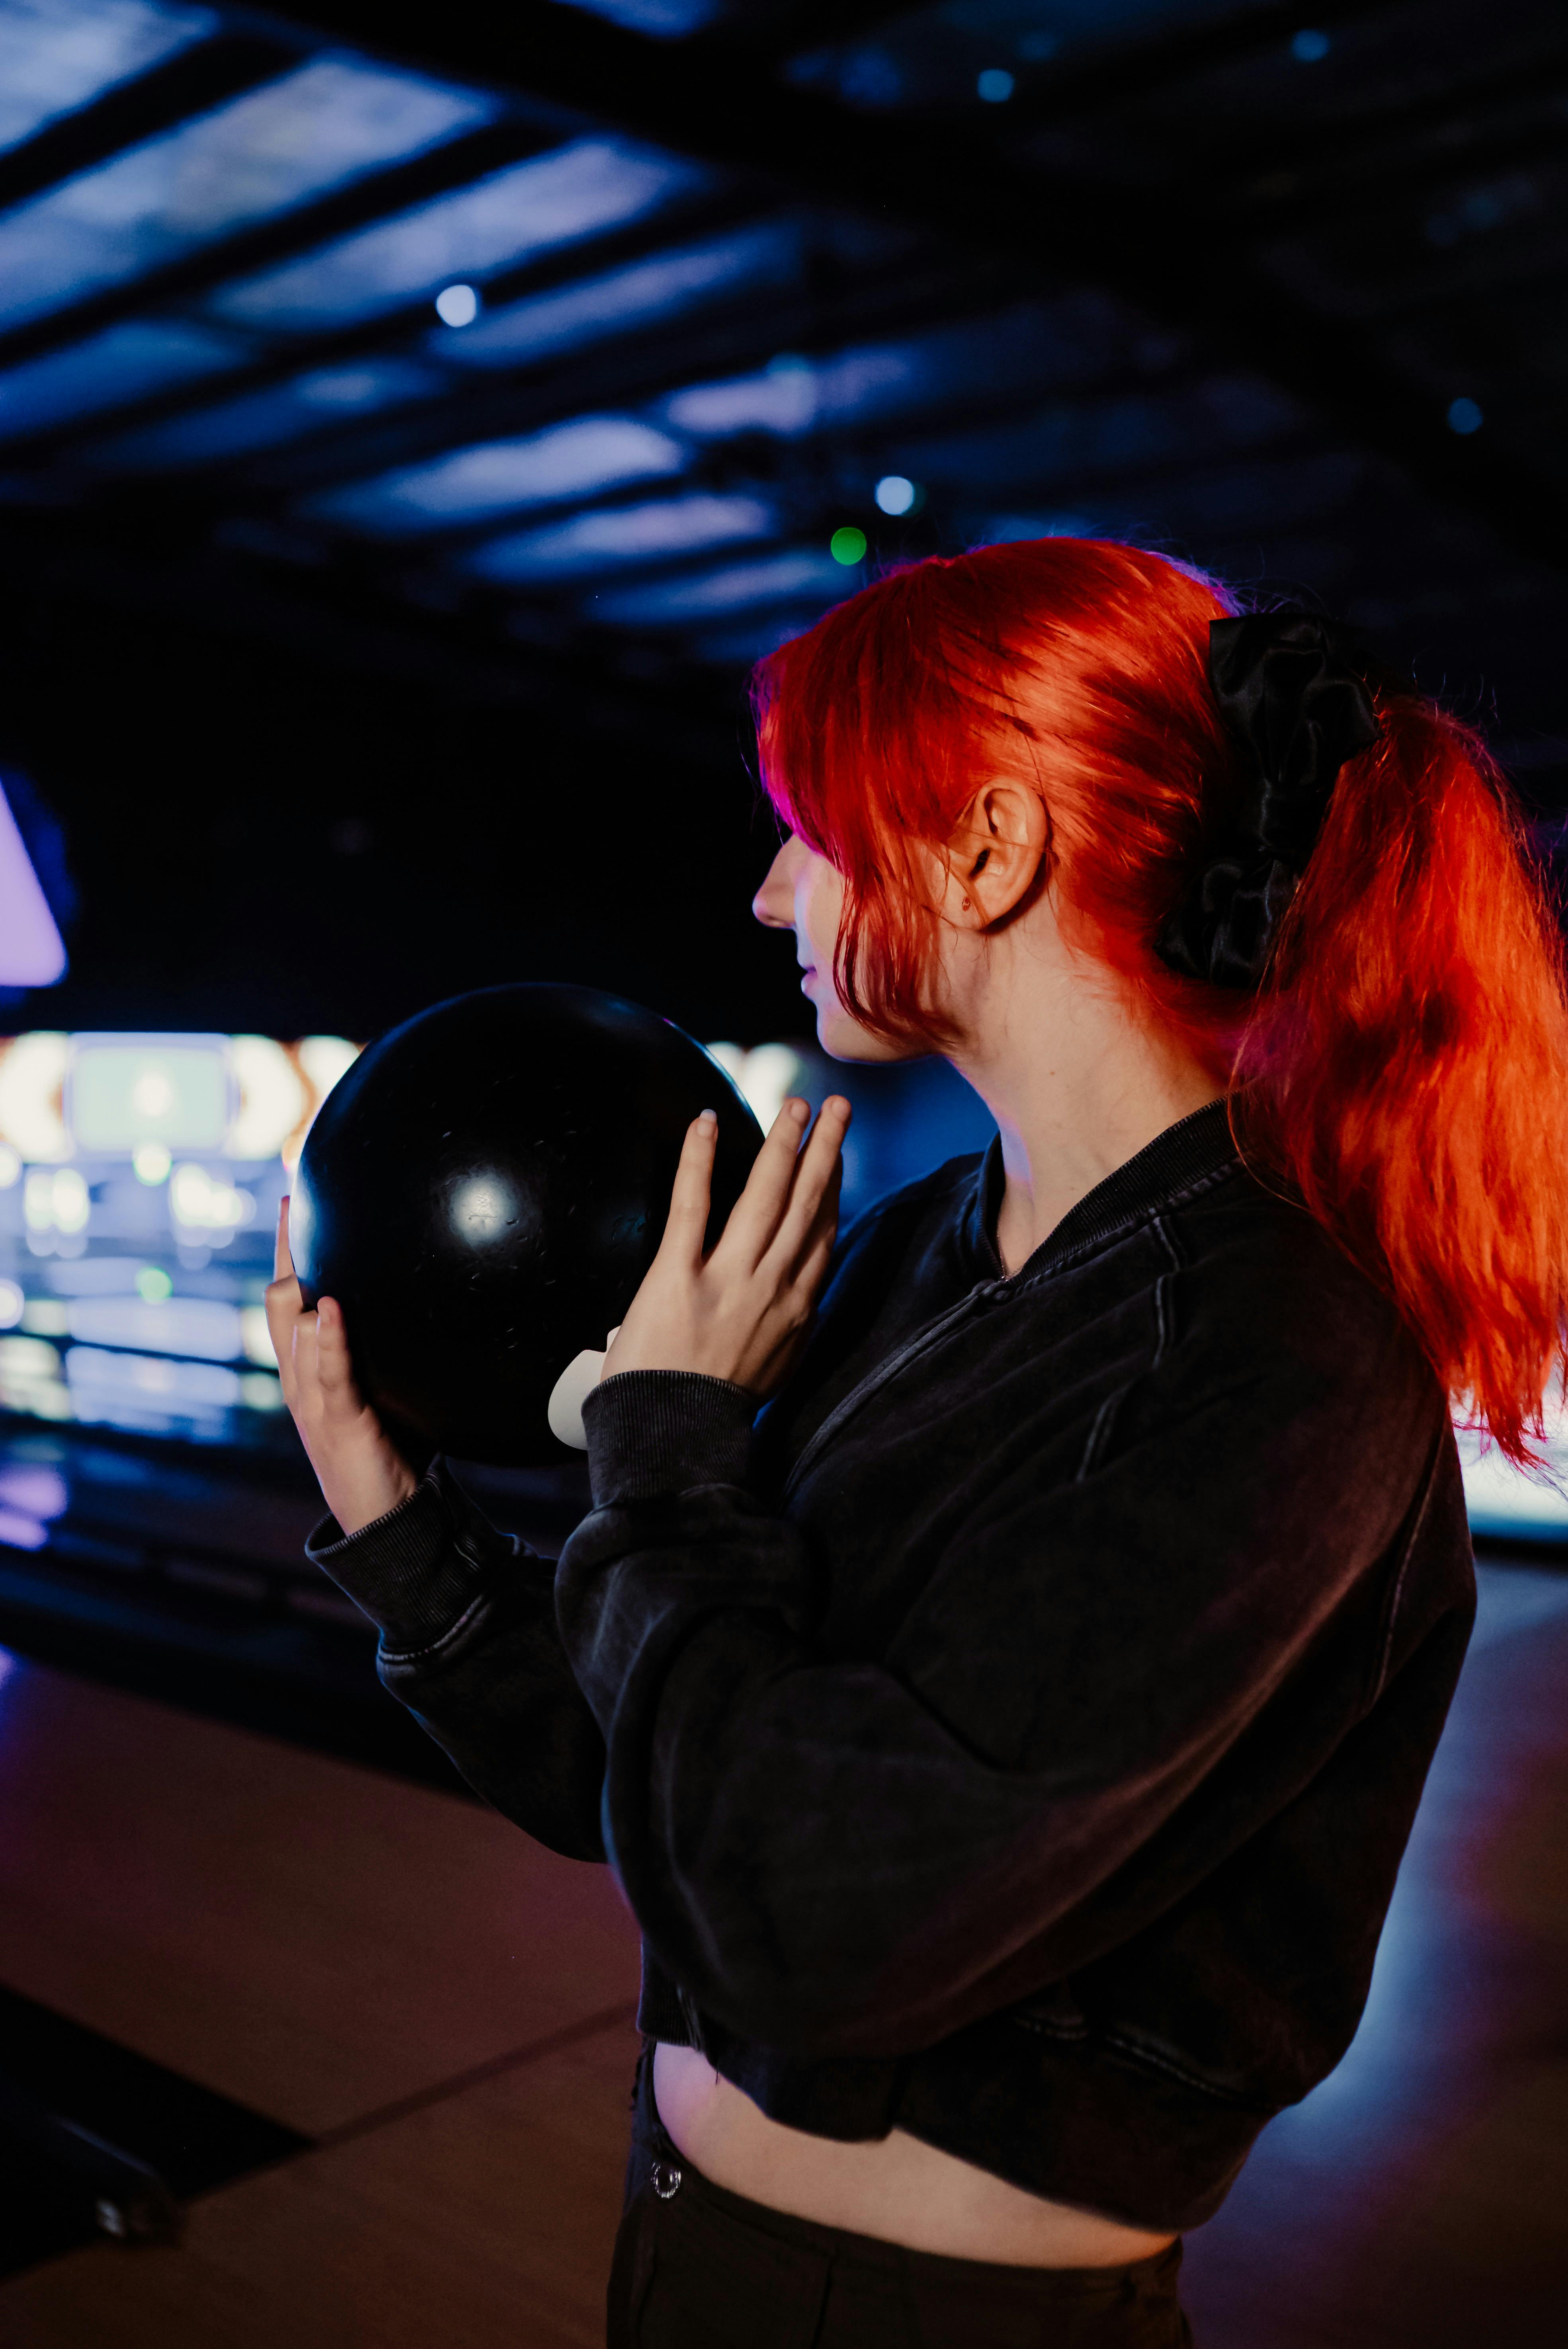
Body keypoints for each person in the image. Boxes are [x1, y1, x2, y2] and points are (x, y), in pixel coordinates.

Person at [267, 539, 1568, 2347]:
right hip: (690, 2248)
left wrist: (664, 1443)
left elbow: (814, 1923)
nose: (768, 889)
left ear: (987, 848)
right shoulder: (909, 1252)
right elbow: (645, 1781)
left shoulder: (1277, 1353)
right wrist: (391, 1515)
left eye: (812, 824)